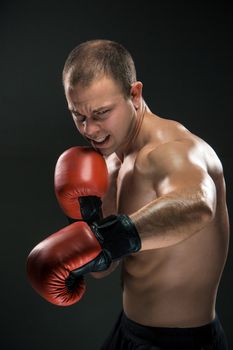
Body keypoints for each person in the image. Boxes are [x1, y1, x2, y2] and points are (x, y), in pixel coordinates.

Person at [27, 39, 229, 349]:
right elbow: (104, 268)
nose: (90, 130)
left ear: (134, 94)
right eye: (79, 116)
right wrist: (87, 222)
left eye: (101, 113)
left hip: (182, 343)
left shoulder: (172, 151)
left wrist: (109, 237)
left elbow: (199, 205)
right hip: (128, 331)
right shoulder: (109, 163)